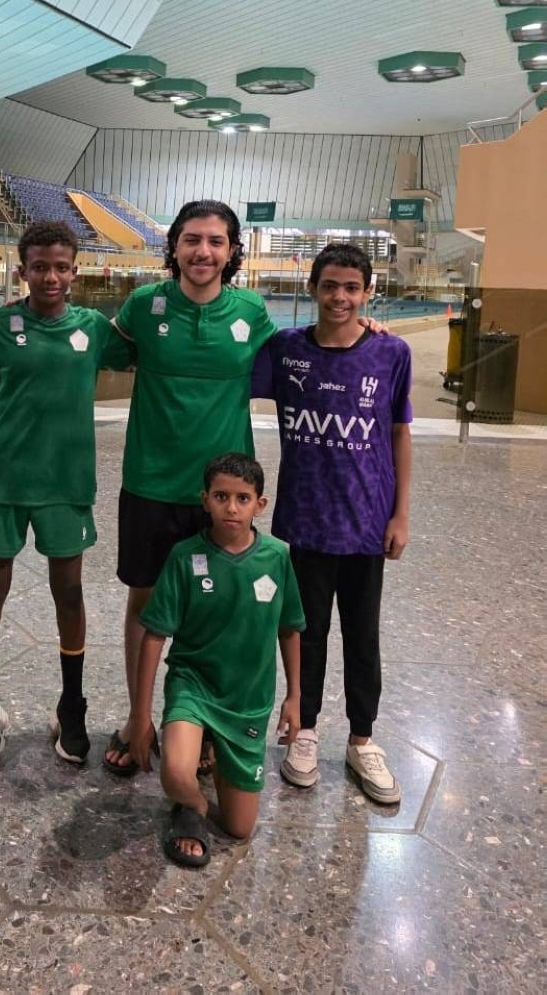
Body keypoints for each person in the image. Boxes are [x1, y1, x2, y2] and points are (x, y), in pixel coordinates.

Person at [104, 200, 384, 776]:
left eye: (215, 241)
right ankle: (139, 719)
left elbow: (311, 352)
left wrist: (366, 331)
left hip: (224, 492)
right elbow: (93, 342)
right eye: (191, 239)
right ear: (175, 246)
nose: (203, 251)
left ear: (232, 251)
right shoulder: (143, 306)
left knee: (221, 608)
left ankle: (209, 725)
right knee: (146, 604)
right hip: (151, 483)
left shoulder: (252, 311)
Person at [0, 221, 134, 764]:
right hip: (8, 481)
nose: (51, 277)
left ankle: (72, 703)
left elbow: (148, 356)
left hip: (67, 484)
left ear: (75, 272)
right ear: (23, 271)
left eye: (61, 267)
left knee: (70, 591)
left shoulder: (93, 328)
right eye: (40, 267)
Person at [253, 242, 412, 804]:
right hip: (307, 520)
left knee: (362, 636)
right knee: (307, 632)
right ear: (312, 289)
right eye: (329, 286)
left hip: (367, 522)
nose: (339, 297)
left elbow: (399, 433)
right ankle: (306, 729)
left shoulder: (391, 353)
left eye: (351, 287)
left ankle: (362, 739)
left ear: (368, 292)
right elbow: (225, 372)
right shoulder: (286, 349)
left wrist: (401, 513)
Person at [127, 453, 304, 866]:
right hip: (194, 687)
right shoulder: (185, 556)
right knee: (175, 774)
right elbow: (154, 637)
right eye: (221, 496)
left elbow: (290, 628)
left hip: (247, 701)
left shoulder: (277, 557)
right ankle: (193, 805)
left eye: (243, 498)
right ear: (204, 500)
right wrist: (140, 716)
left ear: (260, 504)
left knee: (240, 827)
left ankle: (212, 749)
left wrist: (295, 697)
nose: (232, 508)